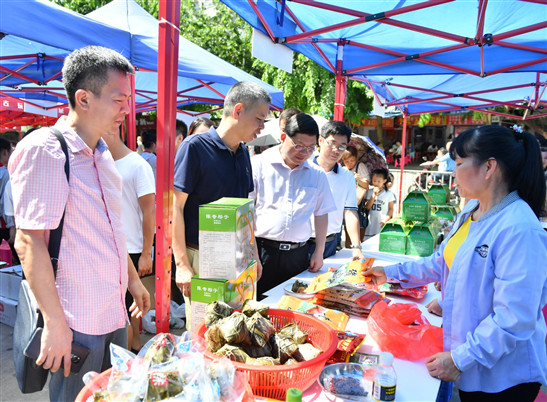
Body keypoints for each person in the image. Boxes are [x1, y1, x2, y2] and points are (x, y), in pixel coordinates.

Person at [364, 125, 547, 402]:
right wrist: (389, 273)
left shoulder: (519, 228)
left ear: (489, 167)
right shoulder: (471, 210)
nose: (452, 172)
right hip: (472, 360)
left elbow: (513, 319)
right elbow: (442, 261)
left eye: (459, 163)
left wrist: (461, 359)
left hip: (503, 379)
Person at [8, 45, 150, 401]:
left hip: (112, 311)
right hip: (76, 319)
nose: (127, 109)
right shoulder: (46, 149)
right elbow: (29, 242)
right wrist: (54, 323)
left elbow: (112, 231)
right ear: (83, 98)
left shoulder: (102, 154)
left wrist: (133, 281)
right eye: (119, 99)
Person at [173, 81, 270, 329]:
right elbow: (175, 208)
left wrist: (254, 255)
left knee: (238, 330)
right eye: (259, 118)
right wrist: (182, 264)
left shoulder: (244, 153)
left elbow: (246, 210)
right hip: (203, 258)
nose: (261, 127)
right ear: (238, 110)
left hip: (239, 259)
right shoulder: (195, 147)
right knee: (206, 332)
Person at [250, 113, 336, 297]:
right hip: (263, 252)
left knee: (293, 306)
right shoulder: (259, 165)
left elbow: (321, 213)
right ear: (283, 137)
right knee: (260, 307)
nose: (303, 153)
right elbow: (246, 213)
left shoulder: (316, 174)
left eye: (310, 148)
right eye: (298, 146)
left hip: (298, 255)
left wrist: (319, 251)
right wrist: (253, 255)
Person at [102, 128, 155, 353]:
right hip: (109, 248)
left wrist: (146, 253)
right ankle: (134, 351)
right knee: (128, 310)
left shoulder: (137, 165)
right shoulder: (101, 162)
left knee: (124, 312)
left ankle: (126, 360)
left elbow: (149, 212)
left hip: (131, 248)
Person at [309, 120, 364, 260]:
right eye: (332, 143)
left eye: (341, 146)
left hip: (330, 243)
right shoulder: (304, 169)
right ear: (320, 140)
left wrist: (356, 247)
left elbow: (350, 211)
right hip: (300, 244)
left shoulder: (347, 177)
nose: (336, 150)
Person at [363, 168, 396, 238]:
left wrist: (387, 219)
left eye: (379, 181)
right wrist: (374, 195)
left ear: (384, 181)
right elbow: (367, 207)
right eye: (374, 181)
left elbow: (391, 209)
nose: (376, 183)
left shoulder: (389, 194)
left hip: (381, 222)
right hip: (371, 222)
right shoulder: (369, 192)